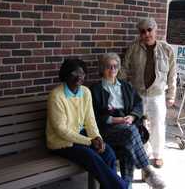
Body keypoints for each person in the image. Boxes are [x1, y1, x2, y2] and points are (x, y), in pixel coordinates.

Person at [46, 58, 128, 189]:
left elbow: (90, 120)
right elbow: (61, 130)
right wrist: (90, 141)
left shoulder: (85, 92)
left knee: (109, 153)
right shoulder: (56, 96)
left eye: (82, 73)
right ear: (66, 75)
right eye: (74, 73)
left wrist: (97, 138)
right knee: (91, 156)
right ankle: (121, 187)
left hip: (79, 137)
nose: (79, 77)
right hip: (61, 143)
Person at [90, 53, 166, 189]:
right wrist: (114, 120)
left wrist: (132, 116)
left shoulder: (125, 86)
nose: (112, 69)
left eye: (115, 66)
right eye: (108, 66)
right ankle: (147, 170)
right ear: (102, 68)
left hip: (127, 124)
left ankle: (126, 185)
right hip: (107, 129)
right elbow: (92, 115)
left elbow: (138, 104)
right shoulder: (95, 90)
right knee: (131, 133)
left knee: (128, 144)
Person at [119, 18, 177, 168]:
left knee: (157, 124)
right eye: (143, 31)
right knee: (140, 125)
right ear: (140, 33)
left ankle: (158, 155)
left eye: (149, 30)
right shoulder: (133, 48)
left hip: (157, 94)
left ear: (155, 30)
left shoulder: (166, 49)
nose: (146, 34)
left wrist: (171, 95)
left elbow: (172, 75)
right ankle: (143, 154)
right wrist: (120, 90)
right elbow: (124, 69)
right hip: (137, 94)